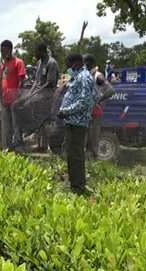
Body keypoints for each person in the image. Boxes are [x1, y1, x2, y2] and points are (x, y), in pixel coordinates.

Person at [58, 53, 95, 195]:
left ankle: (78, 187)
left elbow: (84, 101)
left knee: (76, 156)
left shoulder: (84, 77)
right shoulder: (77, 76)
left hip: (77, 123)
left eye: (69, 65)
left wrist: (66, 111)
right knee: (72, 155)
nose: (68, 68)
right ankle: (74, 185)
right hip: (72, 121)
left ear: (75, 63)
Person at [12, 42, 59, 149]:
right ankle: (21, 137)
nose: (35, 54)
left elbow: (49, 84)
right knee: (16, 104)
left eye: (36, 52)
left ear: (42, 52)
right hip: (38, 93)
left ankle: (28, 132)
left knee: (22, 107)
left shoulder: (51, 63)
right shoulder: (39, 62)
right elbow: (36, 82)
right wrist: (28, 95)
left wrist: (32, 96)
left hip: (47, 95)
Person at [84, 54, 115, 159]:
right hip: (87, 112)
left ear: (89, 64)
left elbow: (111, 90)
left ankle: (93, 163)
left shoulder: (98, 76)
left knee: (93, 140)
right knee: (87, 140)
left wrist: (98, 100)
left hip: (94, 114)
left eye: (84, 63)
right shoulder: (87, 75)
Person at [0, 39, 26, 149]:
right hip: (4, 100)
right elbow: (1, 80)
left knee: (16, 125)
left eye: (4, 51)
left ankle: (19, 148)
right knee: (6, 125)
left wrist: (17, 98)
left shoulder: (18, 62)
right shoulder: (3, 64)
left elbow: (22, 81)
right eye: (1, 51)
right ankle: (8, 147)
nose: (2, 53)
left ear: (10, 50)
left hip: (15, 101)